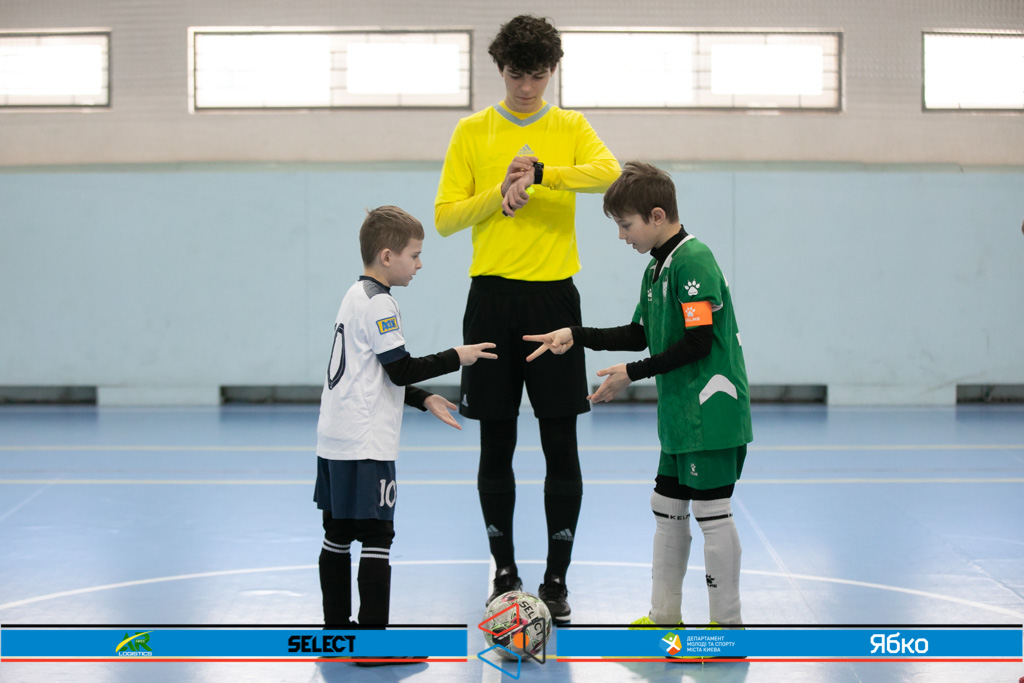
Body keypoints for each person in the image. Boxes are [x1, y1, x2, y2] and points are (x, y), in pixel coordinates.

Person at [434, 14, 620, 623]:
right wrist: (501, 193)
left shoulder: (570, 127)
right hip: (490, 302)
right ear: (500, 69)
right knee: (497, 440)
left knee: (560, 440)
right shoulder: (472, 132)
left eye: (538, 75)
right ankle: (504, 572)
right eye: (516, 74)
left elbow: (609, 173)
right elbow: (445, 218)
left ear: (552, 72)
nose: (526, 86)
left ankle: (556, 581)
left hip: (553, 302)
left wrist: (540, 175)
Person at [524, 162, 752, 633]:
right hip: (680, 414)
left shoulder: (693, 260)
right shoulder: (656, 268)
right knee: (666, 507)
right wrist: (575, 334)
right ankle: (665, 617)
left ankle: (727, 627)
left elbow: (698, 343)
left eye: (626, 225)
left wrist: (631, 373)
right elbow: (638, 334)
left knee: (711, 513)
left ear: (657, 215)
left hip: (711, 413)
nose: (622, 236)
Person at [314, 206, 496, 665]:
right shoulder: (381, 303)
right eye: (414, 255)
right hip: (366, 441)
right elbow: (399, 368)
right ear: (387, 255)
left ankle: (337, 636)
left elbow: (374, 370)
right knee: (378, 534)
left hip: (334, 437)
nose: (419, 264)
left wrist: (424, 398)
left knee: (337, 533)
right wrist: (456, 356)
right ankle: (374, 646)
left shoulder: (354, 294)